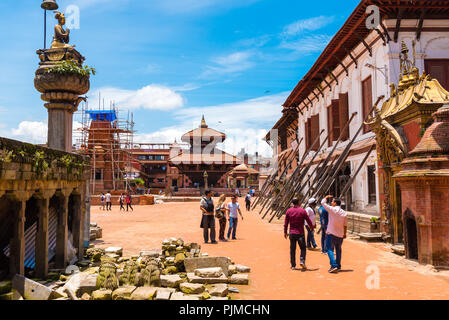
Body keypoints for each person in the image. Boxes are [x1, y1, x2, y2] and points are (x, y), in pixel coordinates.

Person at [284, 198, 314, 270]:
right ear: (298, 202)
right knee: (303, 248)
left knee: (292, 249)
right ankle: (302, 261)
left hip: (292, 233)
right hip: (300, 233)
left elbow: (286, 223)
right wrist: (312, 228)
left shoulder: (289, 211)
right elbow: (308, 220)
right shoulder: (302, 211)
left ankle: (293, 265)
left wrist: (285, 232)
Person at [321, 195, 348, 273]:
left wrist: (326, 197)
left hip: (331, 233)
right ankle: (338, 265)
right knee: (338, 250)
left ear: (335, 203)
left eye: (332, 201)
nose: (331, 202)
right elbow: (345, 225)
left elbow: (323, 203)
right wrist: (344, 234)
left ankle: (334, 265)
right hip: (340, 234)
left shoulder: (332, 209)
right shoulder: (344, 213)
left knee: (329, 249)